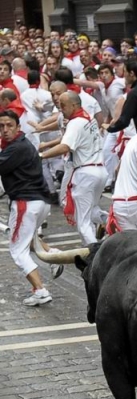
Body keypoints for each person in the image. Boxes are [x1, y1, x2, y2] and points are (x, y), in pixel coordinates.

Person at [0, 108, 54, 306]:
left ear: (18, 127)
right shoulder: (20, 143)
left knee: (17, 250)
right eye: (1, 126)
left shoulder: (16, 148)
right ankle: (54, 258)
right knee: (29, 239)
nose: (5, 130)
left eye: (9, 126)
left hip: (26, 203)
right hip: (38, 202)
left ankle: (40, 290)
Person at [37, 90, 106, 245]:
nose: (60, 108)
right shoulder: (89, 118)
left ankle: (94, 256)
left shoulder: (75, 123)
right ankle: (108, 221)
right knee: (90, 209)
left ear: (74, 105)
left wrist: (41, 156)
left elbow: (65, 146)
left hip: (85, 173)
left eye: (63, 105)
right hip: (100, 171)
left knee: (83, 224)